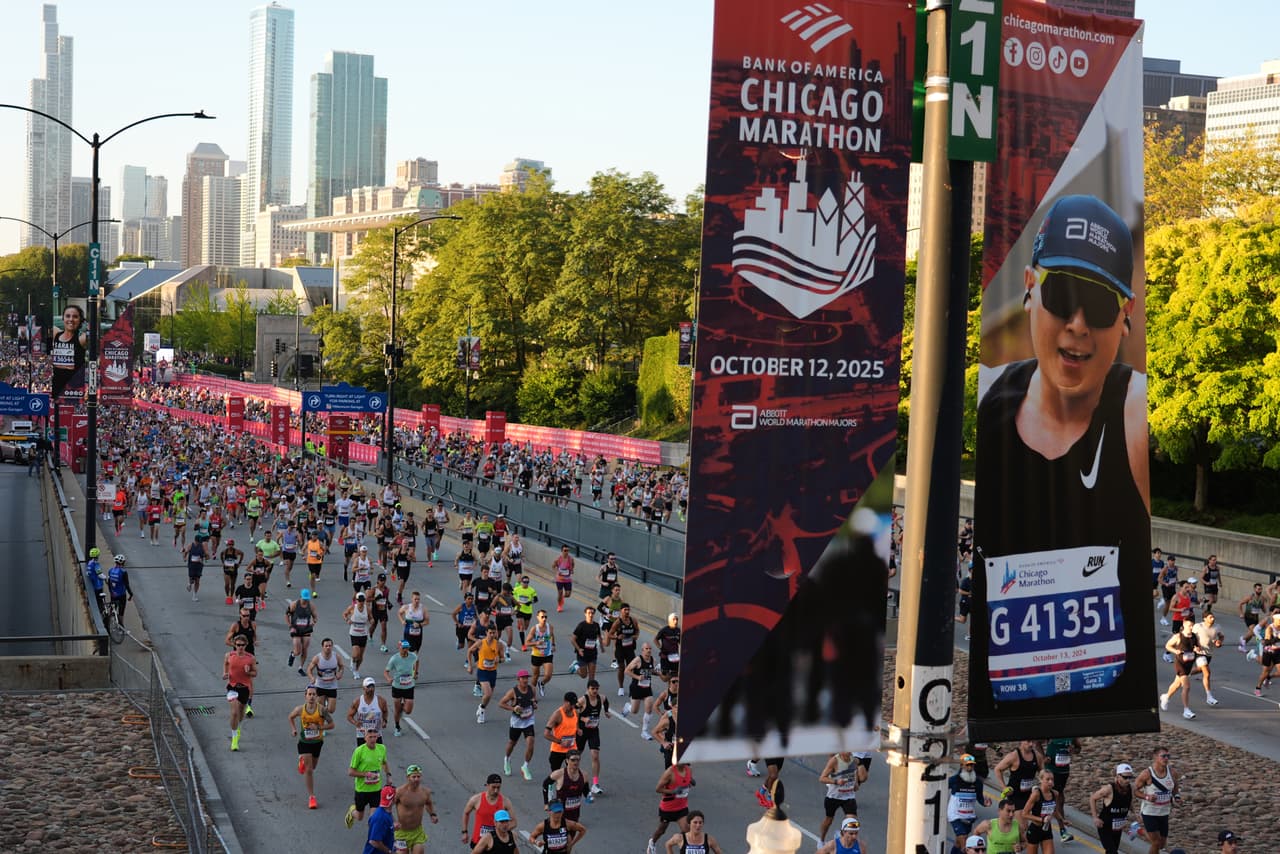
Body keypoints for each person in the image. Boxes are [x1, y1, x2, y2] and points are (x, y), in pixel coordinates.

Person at [973, 194, 1150, 709]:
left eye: (1097, 306)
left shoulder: (1130, 411)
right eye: (1062, 295)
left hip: (1107, 699)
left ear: (1126, 315)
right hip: (1004, 703)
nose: (1076, 324)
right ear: (1030, 287)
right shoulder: (992, 407)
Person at [288, 684, 335, 809]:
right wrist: (293, 729)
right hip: (304, 742)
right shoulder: (300, 709)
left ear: (317, 696)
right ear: (305, 696)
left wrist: (319, 727)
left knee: (313, 767)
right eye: (309, 694)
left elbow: (332, 725)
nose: (312, 696)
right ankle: (312, 797)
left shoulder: (322, 710)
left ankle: (302, 761)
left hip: (317, 742)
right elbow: (290, 717)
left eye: (314, 694)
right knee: (308, 770)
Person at [1133, 745, 1181, 854]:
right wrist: (1147, 797)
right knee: (1156, 842)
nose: (1166, 758)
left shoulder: (1172, 772)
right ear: (1155, 757)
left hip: (1164, 812)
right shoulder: (1146, 774)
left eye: (1168, 756)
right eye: (1163, 756)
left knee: (1162, 844)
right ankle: (1138, 830)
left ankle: (1138, 830)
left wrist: (1177, 796)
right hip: (1149, 812)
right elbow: (1135, 791)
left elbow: (1175, 786)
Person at [818, 750, 869, 843]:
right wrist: (836, 781)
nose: (850, 752)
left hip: (848, 797)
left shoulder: (854, 760)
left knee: (852, 823)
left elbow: (854, 772)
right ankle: (821, 840)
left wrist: (856, 783)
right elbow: (822, 778)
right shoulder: (834, 761)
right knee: (828, 820)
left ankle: (841, 838)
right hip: (834, 796)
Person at [345, 727, 391, 829]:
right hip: (362, 790)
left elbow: (384, 762)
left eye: (375, 737)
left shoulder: (382, 748)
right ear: (365, 738)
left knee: (373, 819)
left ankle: (372, 840)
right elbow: (351, 772)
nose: (373, 739)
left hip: (376, 790)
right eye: (370, 737)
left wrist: (388, 775)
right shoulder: (359, 751)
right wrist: (367, 774)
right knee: (359, 816)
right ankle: (352, 811)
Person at [1088, 763, 1136, 854]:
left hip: (1118, 827)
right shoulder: (1109, 789)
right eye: (1125, 777)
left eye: (1130, 778)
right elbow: (1092, 798)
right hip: (1105, 826)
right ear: (1118, 776)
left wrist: (1135, 814)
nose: (1128, 780)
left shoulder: (1130, 788)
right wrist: (1095, 817)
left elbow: (1128, 803)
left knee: (1111, 851)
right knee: (1112, 852)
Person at [499, 669, 538, 780]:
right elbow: (501, 703)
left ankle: (525, 766)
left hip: (529, 720)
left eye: (527, 678)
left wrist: (534, 704)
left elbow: (534, 700)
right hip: (517, 722)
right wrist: (513, 708)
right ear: (518, 679)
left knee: (531, 743)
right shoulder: (513, 692)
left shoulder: (532, 689)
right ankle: (507, 759)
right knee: (512, 743)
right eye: (523, 678)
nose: (525, 680)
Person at [648, 760, 694, 854]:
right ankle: (652, 842)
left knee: (687, 831)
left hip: (682, 807)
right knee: (662, 830)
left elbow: (687, 781)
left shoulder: (688, 770)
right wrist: (674, 791)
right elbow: (658, 789)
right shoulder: (670, 772)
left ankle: (681, 845)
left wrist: (691, 781)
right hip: (668, 808)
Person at [1160, 620, 1202, 720]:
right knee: (1186, 686)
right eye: (1189, 625)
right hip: (1180, 664)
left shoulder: (1195, 636)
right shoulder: (1178, 636)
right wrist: (1175, 651)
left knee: (1177, 684)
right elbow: (1168, 646)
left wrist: (1197, 649)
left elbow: (1198, 647)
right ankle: (1186, 710)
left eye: (1192, 625)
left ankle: (1166, 697)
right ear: (1184, 625)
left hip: (1189, 663)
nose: (1191, 627)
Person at [222, 634, 257, 752]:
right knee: (234, 712)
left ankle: (238, 728)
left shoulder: (250, 658)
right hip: (232, 687)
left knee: (241, 713)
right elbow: (226, 664)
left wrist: (249, 673)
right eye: (238, 645)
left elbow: (255, 673)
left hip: (244, 688)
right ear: (234, 645)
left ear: (246, 645)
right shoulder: (229, 655)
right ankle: (234, 738)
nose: (240, 647)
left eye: (242, 645)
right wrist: (225, 673)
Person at [394, 763, 438, 854]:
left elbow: (429, 803)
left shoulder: (425, 792)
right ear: (408, 777)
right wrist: (392, 821)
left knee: (419, 851)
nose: (416, 779)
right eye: (414, 777)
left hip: (417, 832)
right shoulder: (400, 792)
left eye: (418, 776)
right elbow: (388, 807)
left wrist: (432, 814)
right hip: (401, 832)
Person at [1021, 769, 1067, 854]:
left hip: (1046, 830)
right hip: (1035, 830)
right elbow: (1024, 814)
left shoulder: (1055, 794)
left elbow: (1055, 811)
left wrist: (1063, 820)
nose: (1050, 782)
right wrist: (1042, 819)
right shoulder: (1036, 794)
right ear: (1041, 780)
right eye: (1047, 779)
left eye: (1052, 779)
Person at [1042, 737, 1079, 842]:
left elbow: (1078, 748)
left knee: (1058, 800)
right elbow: (1036, 743)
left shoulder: (1073, 735)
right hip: (1051, 771)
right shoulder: (1052, 730)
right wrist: (1044, 756)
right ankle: (1061, 831)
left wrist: (1073, 750)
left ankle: (1047, 823)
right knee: (1055, 798)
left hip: (1063, 772)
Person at [470, 624, 508, 723]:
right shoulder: (480, 643)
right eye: (490, 633)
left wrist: (499, 659)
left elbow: (503, 658)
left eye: (493, 633)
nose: (492, 635)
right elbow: (470, 651)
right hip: (482, 671)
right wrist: (470, 666)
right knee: (488, 693)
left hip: (493, 672)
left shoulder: (499, 645)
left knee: (489, 696)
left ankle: (481, 707)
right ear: (486, 632)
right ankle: (482, 713)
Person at [463, 773, 514, 847]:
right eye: (493, 787)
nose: (496, 790)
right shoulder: (476, 799)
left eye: (498, 787)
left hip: (497, 842)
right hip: (478, 841)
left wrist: (501, 829)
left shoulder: (505, 801)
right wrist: (465, 832)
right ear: (487, 785)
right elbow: (466, 813)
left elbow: (514, 822)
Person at [50, 304, 87, 400]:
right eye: (67, 316)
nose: (71, 319)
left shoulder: (81, 339)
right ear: (63, 319)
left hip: (73, 389)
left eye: (75, 317)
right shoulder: (56, 334)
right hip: (56, 387)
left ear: (80, 320)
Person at [385, 640, 419, 736]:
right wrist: (388, 678)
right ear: (399, 648)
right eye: (403, 648)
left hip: (409, 686)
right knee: (397, 709)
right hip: (397, 687)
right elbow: (386, 671)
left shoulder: (412, 656)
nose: (405, 650)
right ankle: (397, 726)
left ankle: (402, 708)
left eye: (407, 648)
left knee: (408, 710)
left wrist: (416, 672)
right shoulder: (394, 659)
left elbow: (417, 660)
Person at [1191, 612, 1225, 705]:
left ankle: (1185, 674)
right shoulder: (1198, 626)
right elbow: (1191, 637)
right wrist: (1194, 646)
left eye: (1213, 617)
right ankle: (1209, 697)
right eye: (1210, 617)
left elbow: (1221, 636)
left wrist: (1219, 642)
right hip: (1199, 652)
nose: (1213, 618)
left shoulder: (1217, 627)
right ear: (1204, 618)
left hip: (1209, 653)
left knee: (1199, 670)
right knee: (1207, 672)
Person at [348, 676, 389, 745]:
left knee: (378, 754)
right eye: (368, 687)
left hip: (376, 734)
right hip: (362, 734)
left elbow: (385, 711)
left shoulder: (381, 701)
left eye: (372, 686)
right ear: (363, 688)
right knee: (363, 755)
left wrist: (385, 721)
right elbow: (349, 716)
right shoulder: (357, 701)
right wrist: (355, 723)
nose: (371, 689)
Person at [306, 636, 343, 714]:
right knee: (320, 710)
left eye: (330, 645)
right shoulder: (317, 658)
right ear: (322, 647)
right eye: (326, 646)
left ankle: (327, 702)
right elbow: (309, 670)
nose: (328, 647)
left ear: (332, 646)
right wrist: (312, 678)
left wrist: (340, 673)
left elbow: (341, 666)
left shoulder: (336, 656)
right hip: (320, 686)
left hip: (332, 686)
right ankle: (321, 723)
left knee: (331, 710)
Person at [544, 691, 580, 772]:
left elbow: (576, 723)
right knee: (555, 774)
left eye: (574, 704)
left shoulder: (576, 712)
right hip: (558, 749)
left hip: (572, 747)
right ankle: (549, 784)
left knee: (573, 771)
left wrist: (578, 729)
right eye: (571, 704)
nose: (573, 706)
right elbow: (546, 734)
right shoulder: (557, 715)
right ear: (565, 702)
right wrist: (560, 742)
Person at [285, 589, 317, 675]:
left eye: (307, 599)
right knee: (297, 651)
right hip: (296, 629)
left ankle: (301, 668)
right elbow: (287, 615)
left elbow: (315, 617)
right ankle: (293, 654)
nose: (305, 600)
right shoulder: (294, 604)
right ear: (300, 597)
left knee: (305, 649)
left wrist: (313, 622)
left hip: (306, 629)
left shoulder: (311, 606)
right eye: (304, 599)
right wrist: (290, 626)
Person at [528, 609, 557, 697]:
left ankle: (542, 683)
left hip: (547, 654)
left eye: (546, 617)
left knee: (548, 675)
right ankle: (532, 696)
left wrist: (553, 644)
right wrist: (535, 643)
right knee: (535, 676)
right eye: (542, 617)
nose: (544, 619)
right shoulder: (534, 629)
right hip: (536, 655)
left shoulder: (550, 627)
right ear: (538, 618)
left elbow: (552, 636)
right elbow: (527, 642)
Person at [344, 591, 372, 679]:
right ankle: (352, 661)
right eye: (359, 600)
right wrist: (347, 620)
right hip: (354, 632)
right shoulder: (352, 607)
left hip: (363, 633)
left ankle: (356, 670)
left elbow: (371, 618)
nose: (361, 602)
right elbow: (344, 614)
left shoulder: (367, 609)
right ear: (356, 600)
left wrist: (372, 621)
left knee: (360, 656)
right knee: (356, 653)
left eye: (362, 600)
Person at [570, 606, 602, 683]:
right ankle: (575, 666)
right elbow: (573, 639)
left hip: (592, 653)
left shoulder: (596, 625)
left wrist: (602, 647)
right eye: (589, 613)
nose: (591, 615)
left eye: (592, 613)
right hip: (582, 653)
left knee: (592, 677)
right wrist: (579, 649)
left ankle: (590, 693)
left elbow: (599, 636)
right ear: (585, 614)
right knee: (583, 675)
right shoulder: (581, 625)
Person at [363, 785, 397, 854]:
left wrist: (394, 823)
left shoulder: (386, 811)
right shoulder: (380, 818)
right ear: (393, 799)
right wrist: (389, 851)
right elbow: (374, 841)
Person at [106, 554, 134, 626]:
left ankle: (109, 624)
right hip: (121, 594)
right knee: (121, 611)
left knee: (113, 609)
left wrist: (111, 592)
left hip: (113, 594)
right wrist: (131, 594)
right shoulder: (123, 572)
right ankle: (121, 626)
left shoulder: (110, 570)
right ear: (123, 563)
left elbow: (109, 583)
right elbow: (127, 585)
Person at [654, 613, 681, 682]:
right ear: (669, 620)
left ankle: (670, 691)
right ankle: (658, 671)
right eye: (674, 619)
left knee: (674, 677)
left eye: (677, 619)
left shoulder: (678, 631)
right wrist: (660, 647)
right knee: (666, 678)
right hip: (665, 656)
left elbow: (680, 642)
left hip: (675, 657)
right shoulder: (664, 630)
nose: (676, 621)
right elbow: (655, 639)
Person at [552, 544, 575, 612]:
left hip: (567, 579)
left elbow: (573, 565)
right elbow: (553, 566)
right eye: (565, 550)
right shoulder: (558, 559)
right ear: (562, 551)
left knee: (568, 594)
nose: (566, 552)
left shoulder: (571, 559)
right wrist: (557, 571)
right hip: (560, 579)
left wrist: (572, 570)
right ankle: (560, 606)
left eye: (568, 550)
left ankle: (561, 598)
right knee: (560, 592)